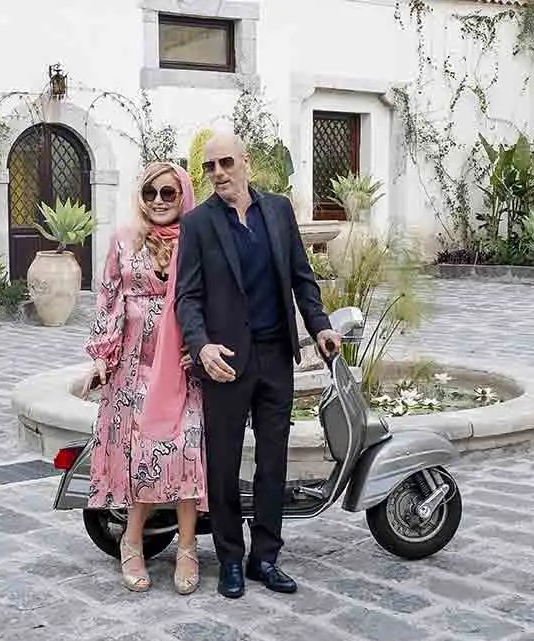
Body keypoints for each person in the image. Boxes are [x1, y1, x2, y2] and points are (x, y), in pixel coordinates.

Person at [175, 132, 342, 599]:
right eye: (209, 167)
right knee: (224, 463)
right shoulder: (198, 223)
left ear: (245, 162)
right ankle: (230, 557)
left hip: (275, 356)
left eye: (226, 163)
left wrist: (321, 326)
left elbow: (302, 278)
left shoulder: (279, 211)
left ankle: (264, 557)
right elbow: (187, 297)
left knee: (273, 461)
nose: (218, 173)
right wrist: (201, 346)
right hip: (225, 362)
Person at [84, 161, 207, 594]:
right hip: (134, 366)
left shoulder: (197, 240)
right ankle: (131, 541)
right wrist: (102, 355)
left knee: (187, 449)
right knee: (142, 453)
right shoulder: (124, 239)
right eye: (150, 192)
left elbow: (214, 297)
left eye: (168, 192)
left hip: (183, 365)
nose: (158, 200)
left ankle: (188, 547)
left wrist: (203, 342)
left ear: (183, 196)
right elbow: (109, 298)